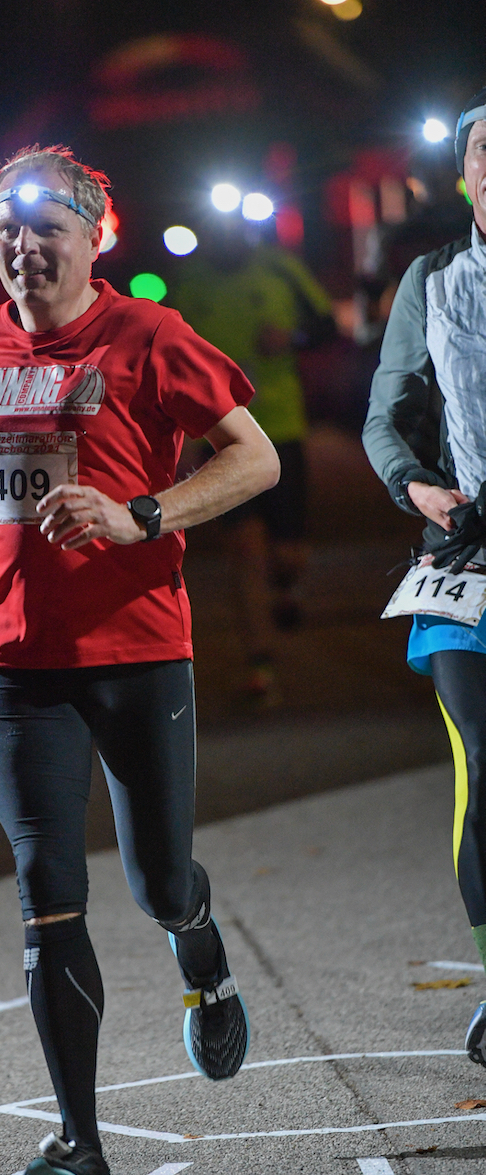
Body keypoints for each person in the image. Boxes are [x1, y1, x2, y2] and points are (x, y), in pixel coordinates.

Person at [0, 145, 280, 1175]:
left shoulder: (147, 337)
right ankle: (86, 1150)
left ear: (94, 238)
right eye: (7, 233)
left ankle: (199, 950)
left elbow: (253, 457)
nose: (23, 251)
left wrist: (143, 515)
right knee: (46, 887)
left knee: (159, 877)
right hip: (14, 668)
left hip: (134, 652)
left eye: (46, 232)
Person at [363, 88, 486, 1070]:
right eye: (485, 149)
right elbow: (381, 417)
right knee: (481, 762)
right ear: (463, 170)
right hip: (466, 562)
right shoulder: (431, 278)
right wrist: (416, 486)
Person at [174, 216, 335, 707]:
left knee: (286, 557)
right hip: (220, 438)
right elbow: (170, 355)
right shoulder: (190, 284)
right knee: (244, 551)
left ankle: (286, 584)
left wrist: (292, 341)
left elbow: (326, 326)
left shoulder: (280, 269)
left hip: (282, 430)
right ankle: (260, 664)